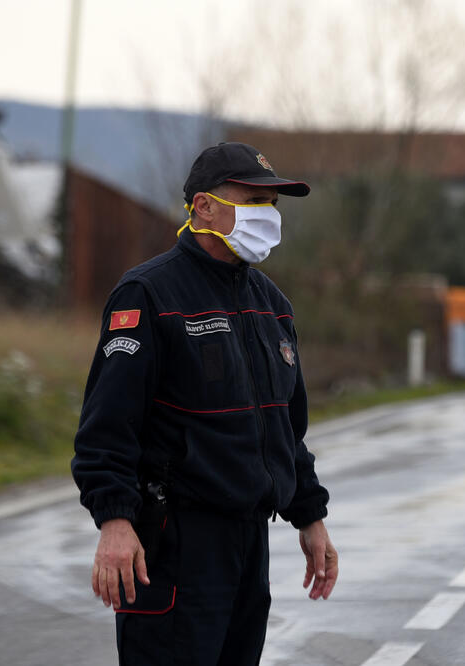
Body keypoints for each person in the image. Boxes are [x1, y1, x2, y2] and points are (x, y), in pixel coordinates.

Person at [71, 142, 338, 665]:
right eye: (253, 200)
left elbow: (287, 430)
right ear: (203, 207)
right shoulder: (148, 294)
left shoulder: (272, 306)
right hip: (175, 546)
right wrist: (115, 523)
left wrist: (310, 517)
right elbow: (107, 426)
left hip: (248, 546)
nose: (267, 215)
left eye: (273, 203)